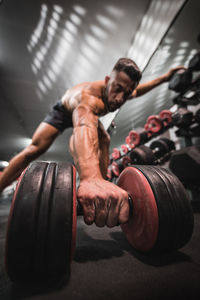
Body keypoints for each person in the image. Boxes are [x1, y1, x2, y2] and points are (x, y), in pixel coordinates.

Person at [0, 58, 183, 227]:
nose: (120, 98)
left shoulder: (123, 92)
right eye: (117, 89)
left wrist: (165, 78)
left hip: (88, 116)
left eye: (126, 94)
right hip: (64, 111)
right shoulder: (90, 97)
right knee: (34, 149)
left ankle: (102, 183)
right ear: (106, 81)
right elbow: (83, 121)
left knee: (105, 139)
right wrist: (89, 177)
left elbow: (138, 90)